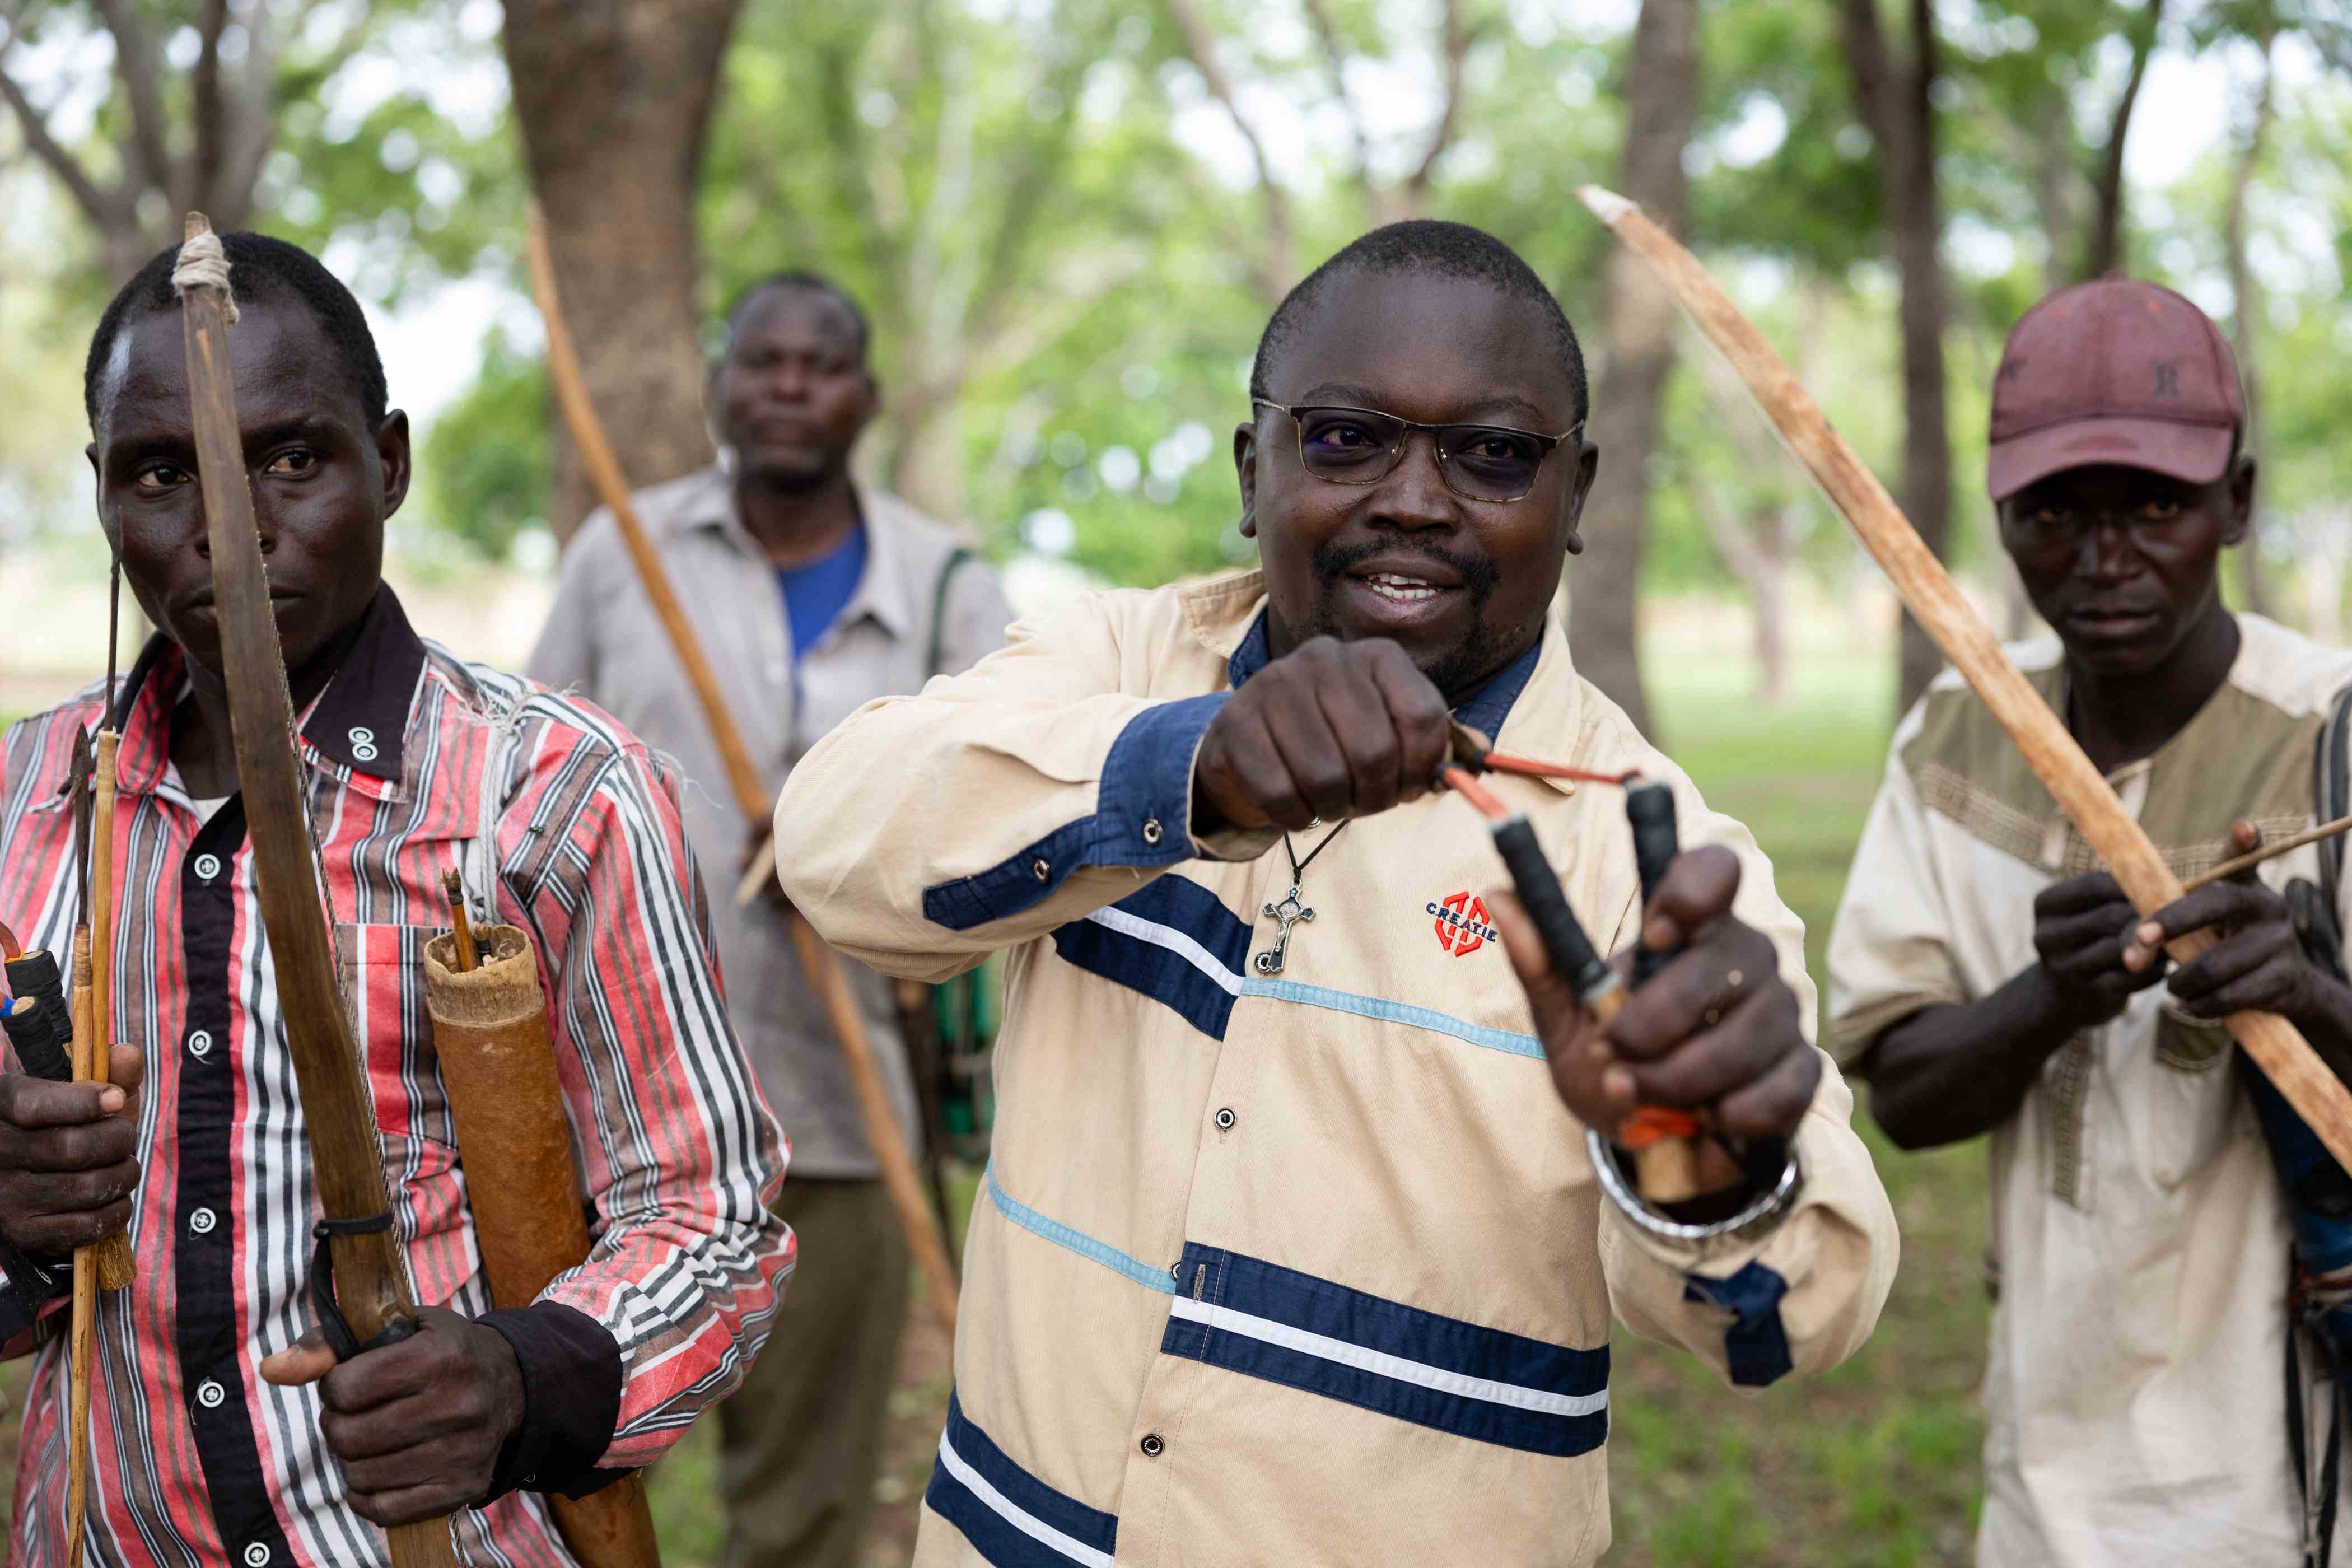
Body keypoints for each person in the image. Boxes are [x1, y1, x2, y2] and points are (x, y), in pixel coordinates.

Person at [772, 220, 1899, 1565]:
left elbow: (1794, 1314)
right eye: (1349, 437)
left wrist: (1703, 1170)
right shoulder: (1124, 664)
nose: (1416, 499)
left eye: (1492, 454)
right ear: (1255, 468)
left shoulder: (1643, 857)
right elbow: (835, 840)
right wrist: (1192, 769)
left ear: (1578, 495)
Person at [0, 232, 791, 1564]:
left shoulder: (551, 793)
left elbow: (714, 1222)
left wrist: (521, 1375)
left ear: (394, 462)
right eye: (161, 472)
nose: (231, 528)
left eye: (293, 458)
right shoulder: (27, 797)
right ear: (101, 496)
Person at [1828, 276, 2352, 1565]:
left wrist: (2310, 992)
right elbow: (1903, 1091)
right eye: (2056, 512)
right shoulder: (1956, 737)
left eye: (2156, 507)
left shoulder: (2335, 733)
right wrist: (2048, 993)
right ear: (2003, 514)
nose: (2103, 559)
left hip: (2299, 1480)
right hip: (2049, 1477)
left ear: (2234, 501)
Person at [529, 269, 1014, 1568]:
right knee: (549, 1476)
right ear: (719, 384)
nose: (791, 386)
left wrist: (853, 843)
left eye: (821, 365)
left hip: (844, 1123)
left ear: (865, 394)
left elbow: (1004, 823)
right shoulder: (623, 556)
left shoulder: (954, 586)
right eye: (763, 361)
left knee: (801, 1512)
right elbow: (515, 790)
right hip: (611, 1110)